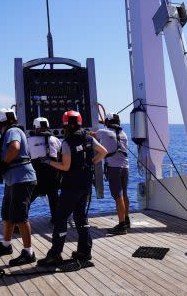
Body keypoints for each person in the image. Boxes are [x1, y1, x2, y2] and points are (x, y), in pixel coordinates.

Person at [37, 110, 107, 266]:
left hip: (71, 186)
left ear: (66, 125)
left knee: (61, 219)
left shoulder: (67, 143)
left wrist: (48, 162)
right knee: (81, 218)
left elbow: (65, 166)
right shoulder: (89, 138)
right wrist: (90, 163)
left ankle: (55, 254)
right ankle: (84, 251)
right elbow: (104, 152)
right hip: (86, 184)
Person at [0, 108, 37, 266]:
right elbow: (6, 157)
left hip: (22, 180)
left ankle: (29, 253)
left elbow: (14, 148)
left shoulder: (12, 131)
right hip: (12, 180)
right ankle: (6, 245)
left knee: (20, 217)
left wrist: (2, 167)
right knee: (7, 214)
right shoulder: (11, 131)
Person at [93, 113, 130, 235]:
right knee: (124, 193)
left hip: (114, 169)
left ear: (107, 122)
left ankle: (121, 225)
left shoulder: (103, 132)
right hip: (125, 167)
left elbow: (92, 136)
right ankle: (126, 220)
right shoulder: (124, 134)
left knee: (118, 196)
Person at [27, 117, 62, 224]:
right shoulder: (55, 140)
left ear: (35, 128)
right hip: (53, 177)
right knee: (54, 198)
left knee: (27, 199)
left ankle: (20, 222)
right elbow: (60, 153)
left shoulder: (29, 141)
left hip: (37, 178)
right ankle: (57, 219)